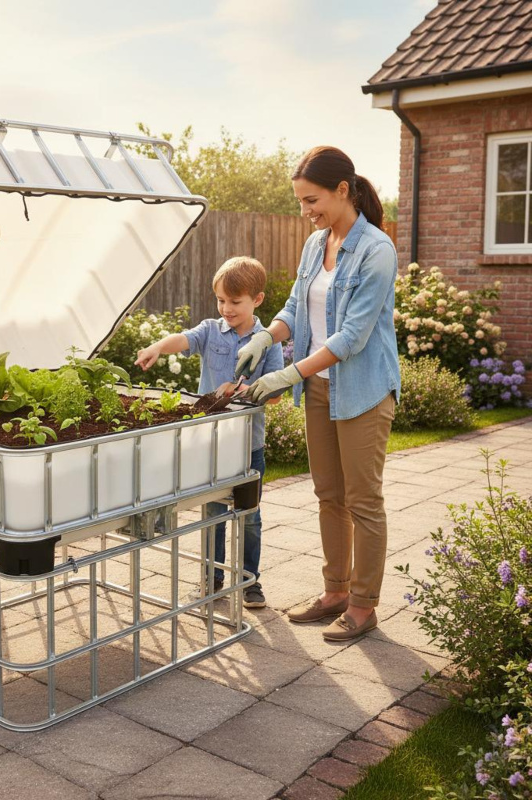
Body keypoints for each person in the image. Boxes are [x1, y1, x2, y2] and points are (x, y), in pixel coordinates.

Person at [235, 146, 400, 641]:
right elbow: (293, 308)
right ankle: (336, 591)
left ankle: (365, 604)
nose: (305, 212)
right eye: (301, 203)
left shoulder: (376, 250)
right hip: (320, 390)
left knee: (363, 499)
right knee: (329, 494)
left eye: (312, 201)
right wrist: (268, 335)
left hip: (364, 390)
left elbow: (351, 336)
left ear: (343, 191)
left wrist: (286, 374)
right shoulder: (315, 245)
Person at [135, 256, 284, 609]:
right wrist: (157, 346)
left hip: (249, 445)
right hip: (211, 446)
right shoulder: (210, 331)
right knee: (213, 514)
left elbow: (276, 393)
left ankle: (250, 581)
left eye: (235, 302)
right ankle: (211, 577)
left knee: (249, 516)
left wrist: (245, 391)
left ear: (257, 300)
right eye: (221, 300)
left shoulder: (268, 341)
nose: (226, 308)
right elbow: (183, 339)